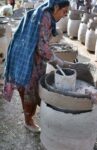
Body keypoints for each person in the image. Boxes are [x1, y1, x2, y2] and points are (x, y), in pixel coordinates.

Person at [3, 0, 70, 133]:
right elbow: (41, 47)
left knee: (32, 88)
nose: (65, 15)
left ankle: (30, 115)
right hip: (27, 56)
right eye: (64, 11)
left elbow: (41, 42)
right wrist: (57, 61)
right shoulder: (44, 17)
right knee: (29, 90)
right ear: (56, 7)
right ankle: (28, 121)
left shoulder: (47, 17)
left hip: (29, 54)